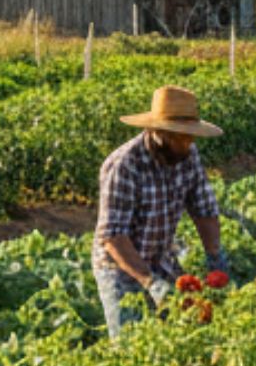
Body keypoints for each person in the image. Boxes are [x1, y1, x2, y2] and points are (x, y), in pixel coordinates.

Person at [93, 85, 231, 339]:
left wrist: (215, 257)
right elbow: (113, 236)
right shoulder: (124, 166)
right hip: (120, 268)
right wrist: (151, 283)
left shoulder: (188, 155)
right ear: (159, 132)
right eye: (181, 136)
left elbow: (204, 208)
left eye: (191, 136)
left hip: (160, 257)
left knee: (177, 333)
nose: (188, 142)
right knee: (131, 342)